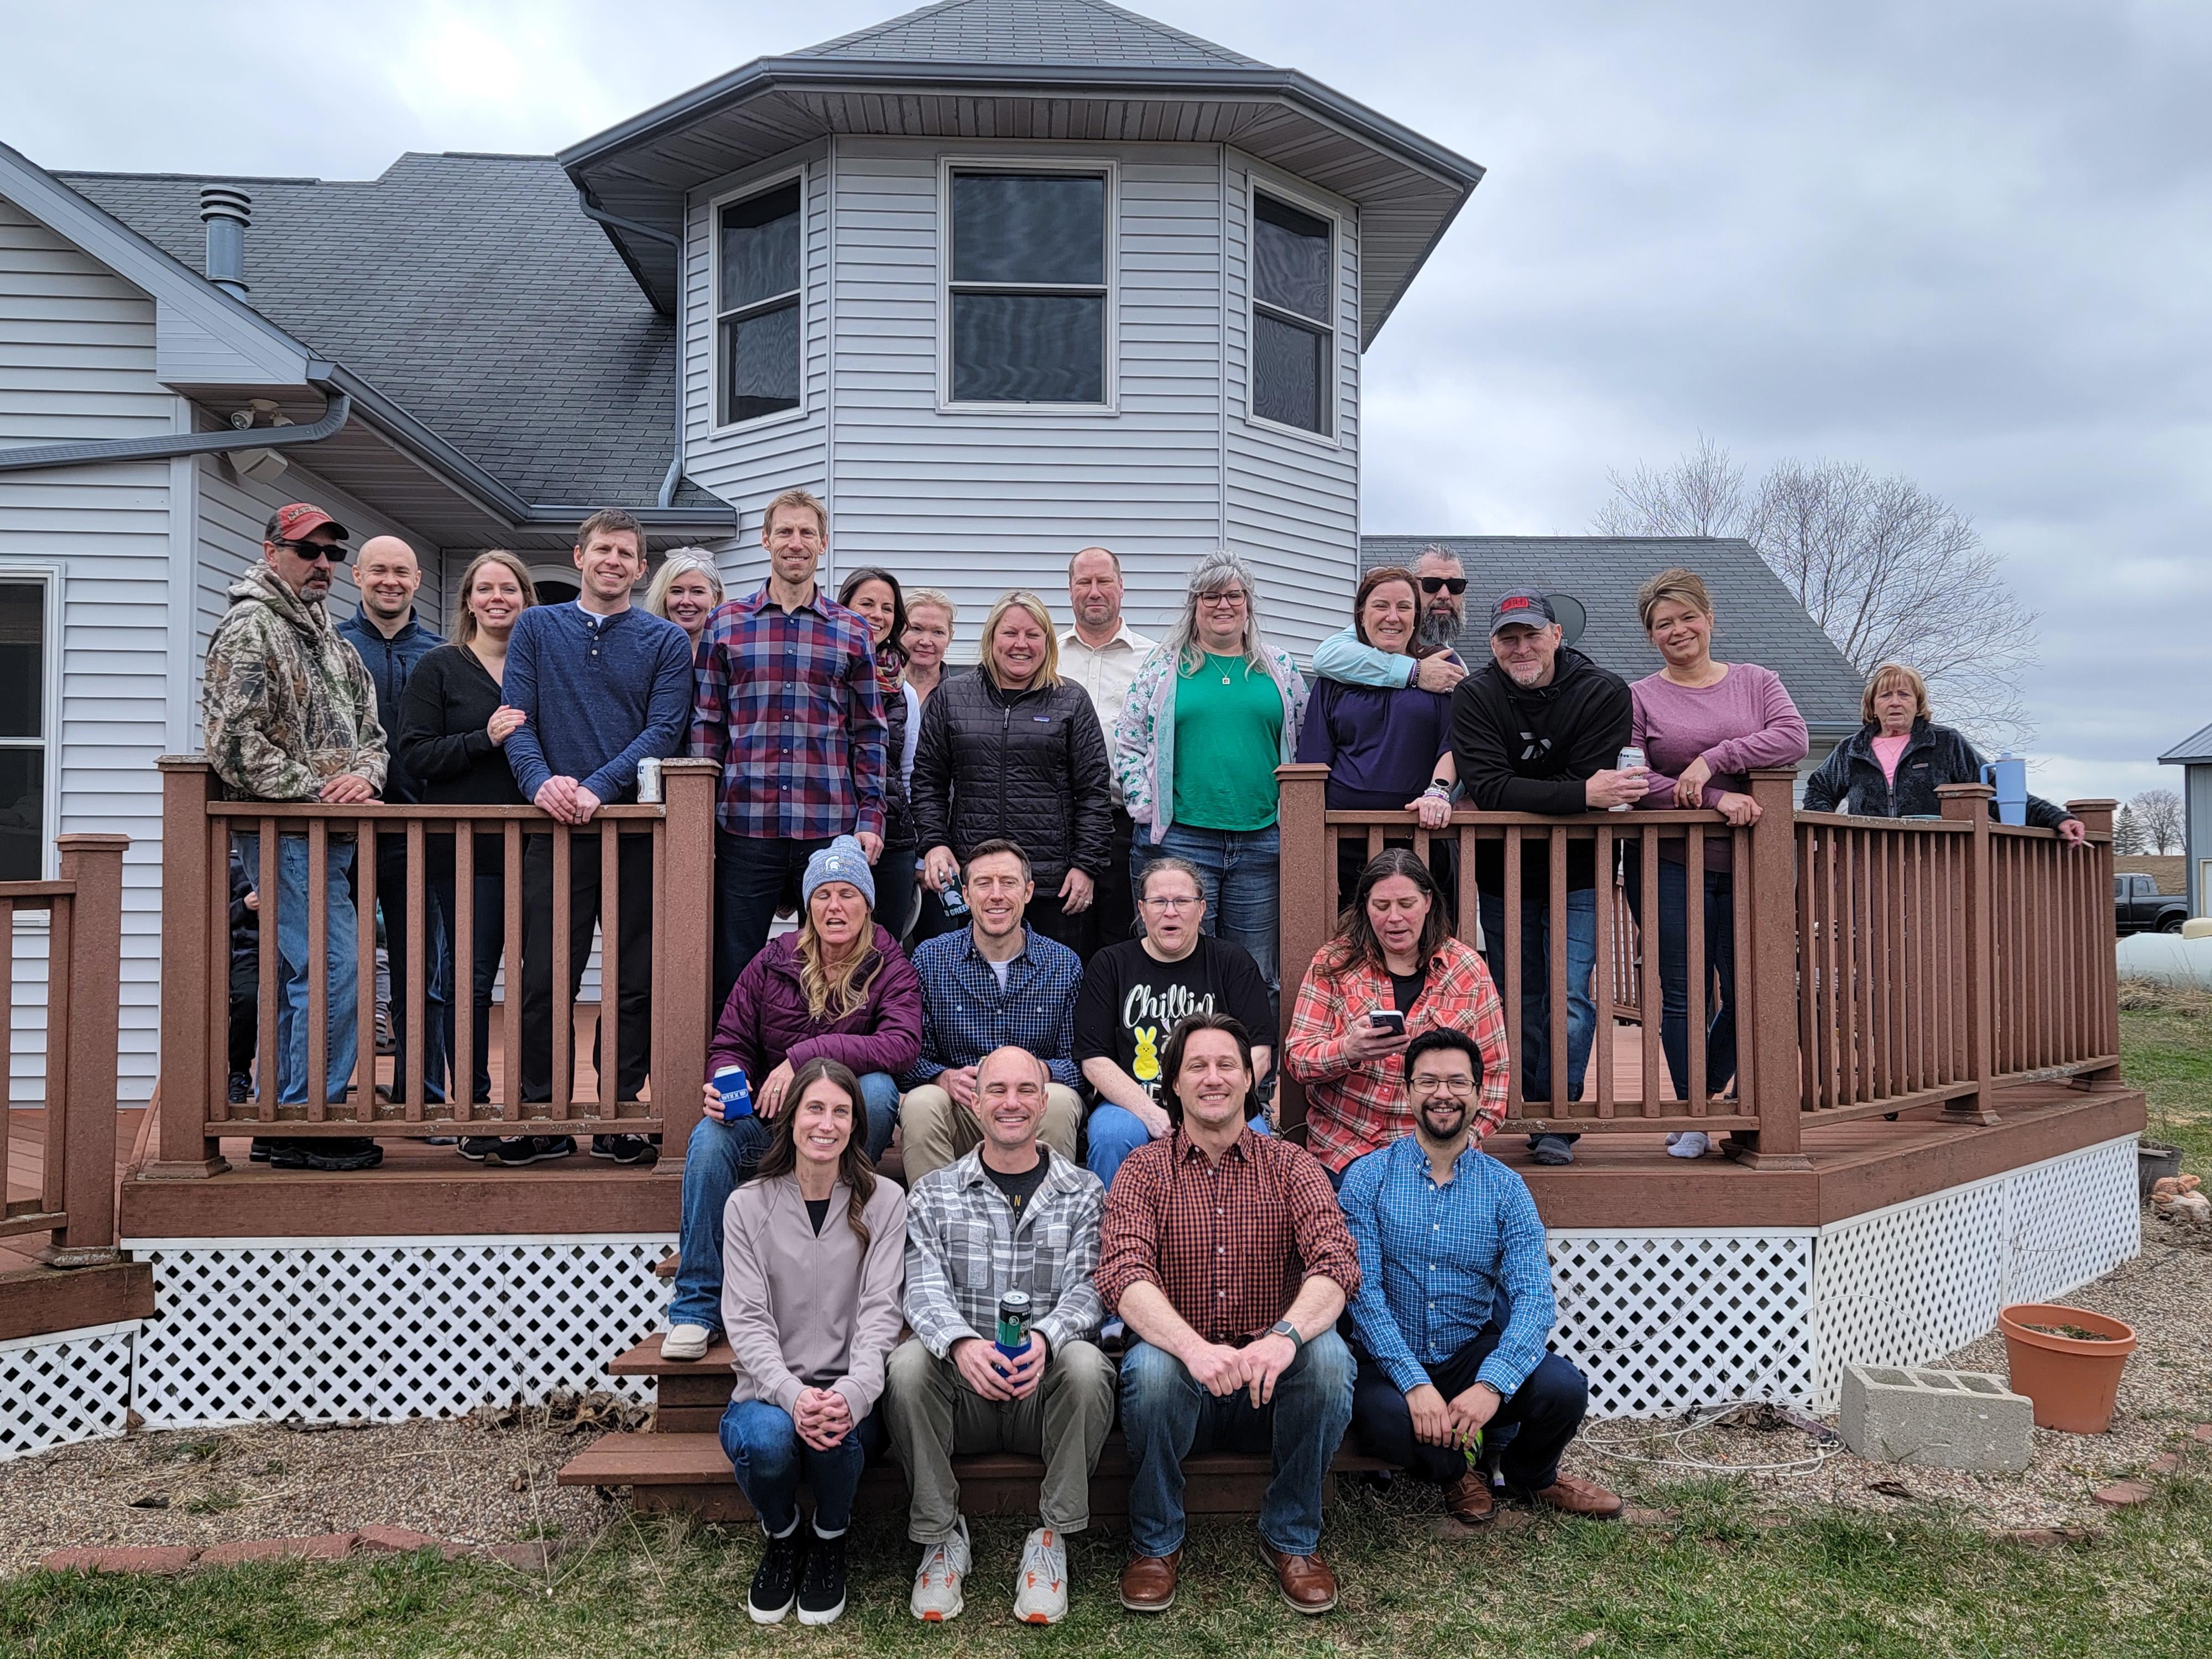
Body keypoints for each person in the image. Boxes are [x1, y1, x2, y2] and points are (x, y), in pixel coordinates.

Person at [1097, 1012, 1360, 1617]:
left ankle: (1292, 1536)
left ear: (1249, 1079)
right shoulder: (1143, 1169)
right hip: (1183, 1385)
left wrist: (1285, 1337)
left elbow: (1336, 1261)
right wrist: (1192, 1349)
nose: (1212, 1078)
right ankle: (1156, 1541)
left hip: (1268, 1386)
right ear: (1174, 1084)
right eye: (1196, 1066)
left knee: (1328, 1360)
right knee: (1151, 1367)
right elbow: (1123, 1274)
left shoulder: (1291, 1166)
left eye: (1225, 1065)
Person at [1339, 1029, 1624, 1524]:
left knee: (1563, 1388)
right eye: (1428, 1082)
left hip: (1469, 1351)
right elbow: (1363, 1294)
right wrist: (1413, 1383)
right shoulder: (1367, 1177)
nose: (1443, 1094)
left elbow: (1534, 1299)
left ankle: (1532, 1475)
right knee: (1385, 1421)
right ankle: (1456, 1472)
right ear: (1408, 1091)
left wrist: (1492, 1384)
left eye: (1457, 1082)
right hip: (1387, 1359)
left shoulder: (1506, 1189)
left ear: (1478, 1094)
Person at [665, 837, 922, 1362]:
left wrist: (805, 1056)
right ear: (808, 905)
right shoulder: (774, 960)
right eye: (823, 895)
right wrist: (725, 1082)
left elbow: (900, 1045)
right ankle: (696, 1308)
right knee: (710, 1138)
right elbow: (731, 1042)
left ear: (867, 904)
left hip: (837, 1133)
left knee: (878, 1092)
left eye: (847, 894)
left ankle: (836, 1218)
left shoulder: (890, 964)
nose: (835, 907)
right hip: (773, 1124)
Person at [885, 1046, 1115, 1626]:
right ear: (976, 1102)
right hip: (963, 1398)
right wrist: (962, 1345)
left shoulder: (1085, 1191)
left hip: (1043, 1398)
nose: (1011, 1103)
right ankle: (941, 1538)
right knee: (907, 1365)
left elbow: (1091, 1288)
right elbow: (921, 1290)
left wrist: (1046, 1340)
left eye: (1025, 1090)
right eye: (997, 1090)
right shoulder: (934, 1193)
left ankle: (1051, 1538)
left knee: (1088, 1366)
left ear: (1045, 1102)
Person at [502, 508, 694, 1162]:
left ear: (641, 569)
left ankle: (619, 1109)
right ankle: (541, 1113)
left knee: (632, 978)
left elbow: (663, 730)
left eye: (625, 554)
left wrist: (598, 788)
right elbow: (516, 718)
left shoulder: (664, 641)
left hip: (633, 835)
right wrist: (540, 783)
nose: (613, 561)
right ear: (579, 556)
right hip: (554, 828)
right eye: (602, 550)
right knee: (543, 975)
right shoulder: (536, 627)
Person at [203, 503, 387, 1171]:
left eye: (333, 554)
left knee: (299, 975)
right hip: (284, 830)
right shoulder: (250, 628)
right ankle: (313, 1119)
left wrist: (363, 777)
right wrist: (318, 790)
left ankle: (283, 1119)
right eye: (309, 551)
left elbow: (373, 735)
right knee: (336, 969)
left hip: (331, 834)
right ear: (271, 550)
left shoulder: (330, 640)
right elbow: (233, 743)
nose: (323, 564)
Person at [1449, 588, 1641, 1166]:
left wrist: (1535, 791)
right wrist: (1579, 793)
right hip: (1501, 871)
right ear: (1492, 645)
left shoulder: (1603, 692)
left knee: (1571, 995)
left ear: (1557, 636)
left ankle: (1558, 1114)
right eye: (1507, 638)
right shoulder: (1475, 695)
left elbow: (1585, 781)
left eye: (1532, 635)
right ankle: (1530, 1105)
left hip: (1580, 869)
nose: (1521, 648)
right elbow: (1489, 787)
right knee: (1518, 993)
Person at [717, 1057, 907, 1627]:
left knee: (838, 1438)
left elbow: (881, 1313)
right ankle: (782, 1536)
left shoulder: (885, 1201)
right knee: (768, 1442)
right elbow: (746, 1320)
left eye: (841, 1112)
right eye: (815, 1109)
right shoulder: (747, 1205)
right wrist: (792, 1394)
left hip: (852, 1393)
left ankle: (829, 1537)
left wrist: (851, 1395)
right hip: (766, 1394)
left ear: (856, 1125)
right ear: (792, 1118)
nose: (826, 1124)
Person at [1627, 568, 1808, 1155]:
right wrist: (1713, 798)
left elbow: (1794, 738)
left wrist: (1716, 757)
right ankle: (1698, 1117)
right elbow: (1635, 779)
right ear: (1651, 636)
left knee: (1748, 987)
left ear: (1709, 619)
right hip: (1668, 863)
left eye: (1687, 617)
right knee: (1681, 993)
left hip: (1751, 866)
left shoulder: (1757, 682)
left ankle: (1697, 1099)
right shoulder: (1639, 697)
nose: (1677, 630)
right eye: (1663, 624)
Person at [692, 489, 887, 1009]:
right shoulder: (725, 623)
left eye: (806, 533)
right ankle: (733, 1059)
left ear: (823, 543)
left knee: (833, 965)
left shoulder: (852, 630)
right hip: (744, 824)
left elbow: (869, 732)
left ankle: (824, 1060)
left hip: (828, 826)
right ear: (765, 540)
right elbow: (707, 726)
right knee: (734, 965)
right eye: (784, 531)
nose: (795, 543)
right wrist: (702, 814)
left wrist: (871, 817)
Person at [399, 551, 560, 1161]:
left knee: (542, 980)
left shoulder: (545, 666)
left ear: (526, 600)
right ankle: (473, 1107)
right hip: (468, 854)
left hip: (543, 847)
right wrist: (482, 738)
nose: (498, 598)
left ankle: (537, 1108)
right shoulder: (440, 667)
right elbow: (415, 755)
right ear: (468, 599)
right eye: (485, 588)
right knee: (470, 981)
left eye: (510, 589)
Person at [1117, 554, 1309, 994]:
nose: (1224, 605)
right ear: (1195, 604)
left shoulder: (1279, 668)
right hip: (1180, 842)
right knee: (1177, 973)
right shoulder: (1164, 666)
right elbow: (1129, 739)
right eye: (1212, 596)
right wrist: (1145, 807)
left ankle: (1250, 1043)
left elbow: (1303, 743)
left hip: (1261, 843)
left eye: (1234, 595)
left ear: (1248, 603)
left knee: (1254, 975)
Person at [1284, 850, 1510, 1184]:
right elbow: (1298, 1058)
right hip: (1348, 1145)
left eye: (1407, 904)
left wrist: (1458, 1147)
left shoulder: (1467, 969)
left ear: (1428, 902)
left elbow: (1494, 1076)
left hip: (1439, 1148)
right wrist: (1348, 1050)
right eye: (1381, 906)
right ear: (1365, 906)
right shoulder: (1334, 961)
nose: (1394, 918)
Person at [914, 591, 1112, 956]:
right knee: (969, 981)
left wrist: (1086, 866)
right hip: (972, 880)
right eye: (1010, 633)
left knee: (1053, 981)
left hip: (1052, 885)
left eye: (1033, 635)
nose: (1021, 644)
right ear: (992, 637)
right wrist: (935, 844)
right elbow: (928, 782)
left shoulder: (1071, 700)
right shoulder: (952, 697)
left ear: (1047, 642)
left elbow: (1094, 793)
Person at [1073, 855, 1276, 1192]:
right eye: (1159, 902)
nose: (1171, 912)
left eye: (1183, 901)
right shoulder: (1110, 964)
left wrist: (1212, 1107)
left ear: (1202, 909)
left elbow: (1260, 1053)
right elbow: (1094, 1060)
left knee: (1254, 1137)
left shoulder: (1232, 962)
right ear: (1142, 909)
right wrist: (1151, 1113)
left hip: (1219, 1096)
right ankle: (1114, 1224)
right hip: (1132, 1103)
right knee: (1112, 1135)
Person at [898, 840, 1084, 1183]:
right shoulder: (930, 958)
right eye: (984, 884)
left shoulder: (1063, 964)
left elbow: (1080, 1065)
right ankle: (938, 1213)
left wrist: (1042, 1071)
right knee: (921, 1102)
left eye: (1008, 883)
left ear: (1028, 892)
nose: (996, 895)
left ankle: (1046, 1210)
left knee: (1060, 1100)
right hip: (963, 1109)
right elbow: (910, 1058)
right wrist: (943, 1078)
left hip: (1031, 1110)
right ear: (966, 895)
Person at [1295, 566, 1462, 902]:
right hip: (1343, 843)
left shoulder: (1443, 664)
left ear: (1416, 617)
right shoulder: (1334, 677)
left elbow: (1454, 743)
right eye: (1380, 606)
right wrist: (1314, 854)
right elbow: (1312, 764)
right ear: (1361, 615)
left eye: (1404, 607)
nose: (1392, 617)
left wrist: (1438, 792)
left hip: (1424, 837)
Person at [1804, 662, 2086, 844]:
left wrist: (2057, 818)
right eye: (1886, 696)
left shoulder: (1945, 743)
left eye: (1904, 695)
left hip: (1934, 855)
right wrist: (1831, 836)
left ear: (1918, 704)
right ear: (1873, 705)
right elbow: (1818, 790)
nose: (1895, 703)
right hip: (1869, 857)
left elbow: (1997, 792)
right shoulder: (1852, 749)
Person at [1060, 546, 1157, 954]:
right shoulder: (1049, 656)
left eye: (1104, 581)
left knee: (1123, 942)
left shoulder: (1155, 659)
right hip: (1059, 825)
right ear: (1070, 589)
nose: (1094, 591)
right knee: (1064, 939)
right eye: (1084, 582)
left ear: (1122, 587)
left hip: (1127, 826)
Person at [838, 568, 921, 942]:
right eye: (867, 604)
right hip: (831, 830)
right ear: (844, 609)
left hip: (892, 840)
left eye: (887, 608)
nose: (877, 615)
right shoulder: (825, 676)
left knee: (886, 947)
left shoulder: (906, 693)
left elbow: (909, 773)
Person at [1310, 545, 1473, 692]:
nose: (1444, 595)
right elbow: (1326, 657)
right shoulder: (1378, 631)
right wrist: (1415, 672)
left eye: (1456, 586)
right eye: (1431, 584)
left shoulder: (1453, 662)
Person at [899, 589, 959, 943]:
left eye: (937, 632)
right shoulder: (879, 690)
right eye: (916, 629)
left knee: (941, 945)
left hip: (946, 849)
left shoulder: (964, 696)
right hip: (889, 842)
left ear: (950, 637)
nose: (926, 640)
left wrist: (931, 851)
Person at [643, 548, 724, 654]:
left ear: (715, 598)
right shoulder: (645, 651)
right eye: (677, 591)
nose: (686, 601)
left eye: (697, 592)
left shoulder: (728, 651)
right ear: (664, 598)